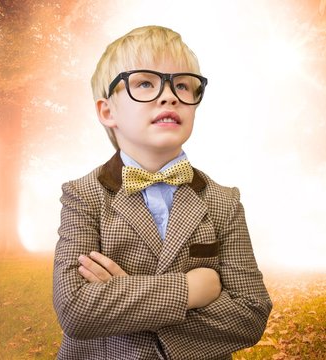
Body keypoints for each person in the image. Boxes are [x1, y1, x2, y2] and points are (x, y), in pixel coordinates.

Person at [52, 25, 272, 359]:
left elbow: (250, 315)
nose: (169, 95)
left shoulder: (223, 202)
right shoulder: (84, 196)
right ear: (107, 111)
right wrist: (190, 290)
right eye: (144, 83)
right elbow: (76, 309)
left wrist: (123, 300)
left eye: (182, 85)